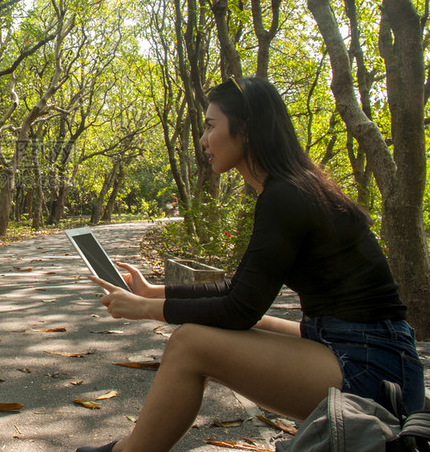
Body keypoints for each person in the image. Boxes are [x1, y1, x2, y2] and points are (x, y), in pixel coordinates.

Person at [76, 77, 425, 452]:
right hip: (354, 345)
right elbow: (237, 292)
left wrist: (146, 309)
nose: (204, 139)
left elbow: (238, 309)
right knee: (222, 324)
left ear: (245, 129)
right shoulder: (291, 187)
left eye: (211, 126)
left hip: (375, 370)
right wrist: (153, 291)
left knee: (189, 343)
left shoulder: (285, 195)